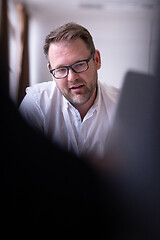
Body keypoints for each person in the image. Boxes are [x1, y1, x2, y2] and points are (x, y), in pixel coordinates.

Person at [19, 22, 119, 159]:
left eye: (79, 64)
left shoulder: (122, 105)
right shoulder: (37, 103)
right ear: (51, 72)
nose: (72, 78)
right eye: (60, 69)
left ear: (97, 60)